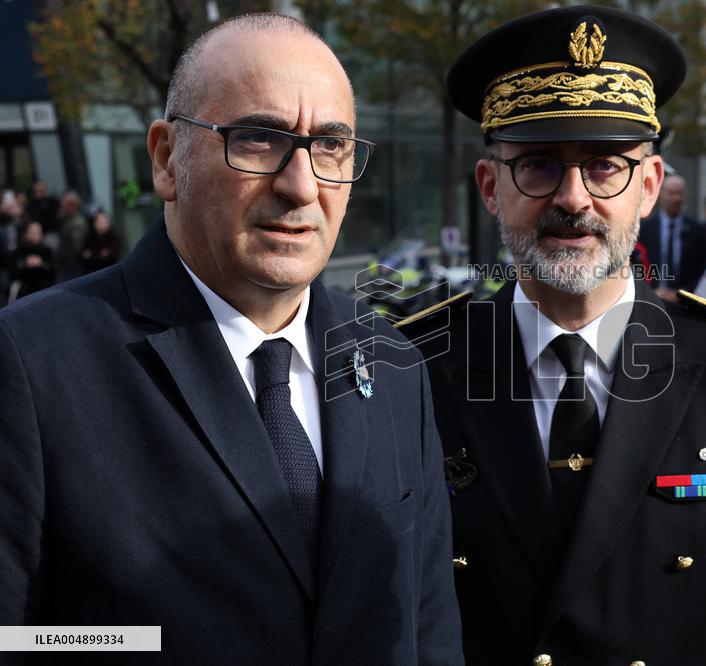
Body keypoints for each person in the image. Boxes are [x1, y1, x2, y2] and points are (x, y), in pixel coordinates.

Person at [0, 13, 462, 664]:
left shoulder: (395, 367)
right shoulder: (30, 361)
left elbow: (429, 630)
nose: (301, 185)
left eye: (331, 147)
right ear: (166, 159)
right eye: (259, 139)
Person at [403, 6, 706, 665]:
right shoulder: (419, 367)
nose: (573, 197)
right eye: (538, 166)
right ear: (489, 186)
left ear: (649, 186)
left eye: (604, 167)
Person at [634, 173, 706, 300]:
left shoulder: (698, 231)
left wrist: (683, 292)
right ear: (660, 194)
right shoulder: (644, 229)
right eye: (671, 193)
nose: (676, 199)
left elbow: (703, 269)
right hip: (650, 297)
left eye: (679, 193)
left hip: (685, 300)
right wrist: (650, 291)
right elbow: (637, 266)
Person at [8, 221, 55, 300]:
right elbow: (12, 273)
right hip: (23, 290)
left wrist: (41, 264)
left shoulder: (47, 251)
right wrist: (25, 263)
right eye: (31, 232)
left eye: (37, 233)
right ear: (26, 234)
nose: (35, 235)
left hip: (43, 290)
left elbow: (53, 273)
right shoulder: (18, 251)